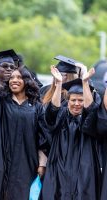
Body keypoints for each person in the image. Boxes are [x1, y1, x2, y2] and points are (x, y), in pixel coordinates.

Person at [0, 45, 47, 199]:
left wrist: (42, 163)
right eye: (12, 78)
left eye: (19, 77)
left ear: (27, 81)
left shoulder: (36, 107)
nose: (14, 80)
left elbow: (43, 138)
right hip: (1, 161)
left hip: (27, 162)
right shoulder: (0, 102)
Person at [41, 66, 101, 199]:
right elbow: (52, 111)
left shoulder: (87, 121)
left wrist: (85, 83)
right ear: (67, 101)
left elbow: (91, 110)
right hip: (59, 170)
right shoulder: (61, 116)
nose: (77, 104)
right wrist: (58, 85)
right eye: (73, 100)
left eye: (81, 100)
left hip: (84, 172)